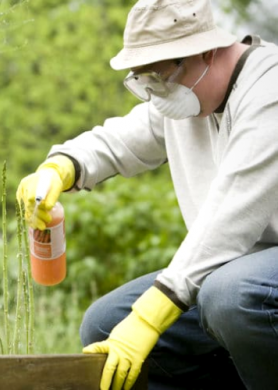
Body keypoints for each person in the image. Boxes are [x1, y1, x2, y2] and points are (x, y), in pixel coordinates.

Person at [16, 0, 278, 389]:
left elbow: (231, 216)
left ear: (205, 50)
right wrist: (61, 167)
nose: (155, 92)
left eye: (159, 75)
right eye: (143, 80)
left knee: (229, 296)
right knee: (105, 324)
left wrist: (150, 316)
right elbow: (123, 138)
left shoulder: (269, 88)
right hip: (239, 272)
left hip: (252, 279)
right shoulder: (188, 97)